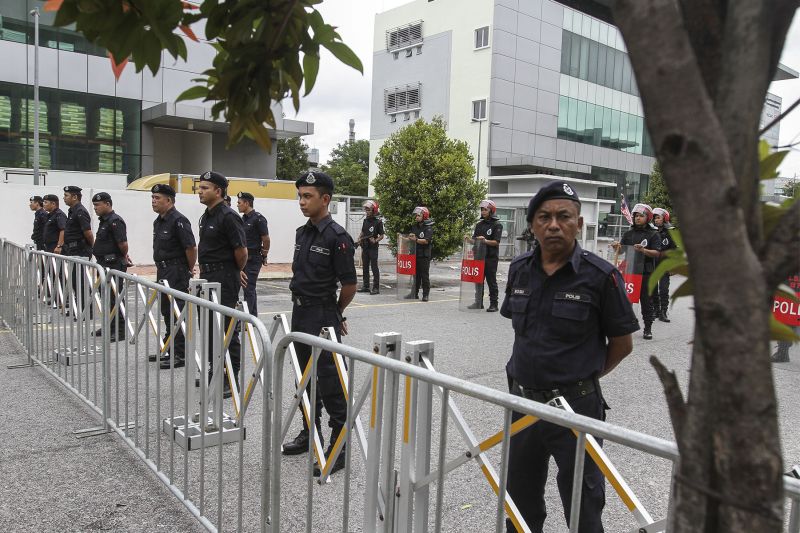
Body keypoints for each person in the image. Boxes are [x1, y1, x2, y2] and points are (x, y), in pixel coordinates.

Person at [500, 181, 638, 533]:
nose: (553, 224)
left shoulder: (600, 276)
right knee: (519, 500)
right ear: (532, 224)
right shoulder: (519, 270)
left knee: (583, 504)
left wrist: (582, 378)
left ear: (579, 223)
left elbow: (622, 343)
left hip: (577, 407)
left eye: (564, 216)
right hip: (524, 404)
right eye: (544, 217)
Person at [282, 171, 356, 477]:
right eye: (300, 195)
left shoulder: (338, 237)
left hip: (323, 316)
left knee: (331, 383)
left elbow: (349, 285)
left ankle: (339, 447)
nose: (302, 201)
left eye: (308, 196)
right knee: (304, 380)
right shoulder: (302, 233)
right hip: (300, 314)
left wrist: (335, 314)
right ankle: (309, 433)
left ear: (325, 199)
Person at [198, 172, 247, 397]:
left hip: (224, 278)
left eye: (205, 188)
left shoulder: (229, 216)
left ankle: (230, 377)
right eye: (200, 187)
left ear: (218, 191)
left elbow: (241, 251)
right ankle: (215, 370)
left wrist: (235, 272)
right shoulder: (206, 216)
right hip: (207, 278)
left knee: (226, 329)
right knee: (209, 327)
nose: (200, 191)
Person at [152, 184, 197, 369]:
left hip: (176, 271)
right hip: (162, 271)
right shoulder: (158, 221)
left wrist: (188, 269)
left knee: (176, 312)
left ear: (169, 200)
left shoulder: (179, 220)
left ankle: (180, 354)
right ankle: (168, 348)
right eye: (152, 198)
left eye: (157, 198)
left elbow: (191, 248)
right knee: (166, 311)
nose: (154, 201)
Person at [612, 203, 661, 340]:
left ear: (648, 217)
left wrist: (643, 250)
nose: (637, 218)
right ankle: (627, 326)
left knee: (646, 302)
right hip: (630, 271)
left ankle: (648, 328)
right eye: (636, 216)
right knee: (626, 301)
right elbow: (621, 250)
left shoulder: (653, 234)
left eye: (641, 216)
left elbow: (656, 253)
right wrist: (616, 247)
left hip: (646, 273)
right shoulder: (628, 233)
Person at [90, 192, 129, 342]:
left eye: (98, 205)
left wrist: (123, 257)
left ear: (107, 204)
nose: (95, 208)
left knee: (115, 298)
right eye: (94, 205)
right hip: (103, 264)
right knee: (105, 297)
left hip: (113, 264)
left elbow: (123, 244)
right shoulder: (104, 221)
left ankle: (119, 331)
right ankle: (109, 326)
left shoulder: (115, 221)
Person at [62, 186, 95, 315]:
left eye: (66, 195)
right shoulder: (72, 211)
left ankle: (86, 310)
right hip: (73, 250)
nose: (64, 198)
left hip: (80, 250)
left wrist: (92, 248)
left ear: (75, 197)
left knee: (81, 281)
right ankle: (79, 307)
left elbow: (88, 232)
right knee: (76, 281)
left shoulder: (80, 211)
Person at [237, 191, 270, 316]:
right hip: (244, 258)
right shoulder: (242, 219)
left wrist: (265, 254)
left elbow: (266, 239)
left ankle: (247, 320)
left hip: (253, 258)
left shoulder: (258, 219)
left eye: (239, 203)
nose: (237, 205)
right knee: (249, 288)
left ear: (247, 203)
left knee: (248, 288)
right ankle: (253, 315)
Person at [468, 199, 503, 312]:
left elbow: (496, 242)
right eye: (482, 210)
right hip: (479, 256)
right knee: (478, 280)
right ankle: (478, 302)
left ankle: (494, 304)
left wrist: (485, 241)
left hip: (490, 257)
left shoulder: (497, 225)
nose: (483, 212)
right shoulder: (479, 225)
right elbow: (476, 240)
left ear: (491, 210)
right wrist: (469, 240)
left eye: (485, 210)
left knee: (491, 281)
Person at [652, 208, 677, 322]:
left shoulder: (671, 231)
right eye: (654, 218)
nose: (656, 220)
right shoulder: (651, 231)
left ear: (665, 218)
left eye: (658, 218)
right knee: (652, 290)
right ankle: (656, 311)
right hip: (652, 265)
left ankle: (663, 312)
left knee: (663, 290)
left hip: (664, 266)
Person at [356, 200, 384, 295]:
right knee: (365, 267)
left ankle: (376, 288)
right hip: (365, 247)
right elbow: (363, 231)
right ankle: (366, 286)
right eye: (366, 210)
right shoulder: (365, 220)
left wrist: (375, 240)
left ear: (374, 211)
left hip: (373, 248)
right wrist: (360, 238)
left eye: (368, 210)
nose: (366, 212)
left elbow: (382, 235)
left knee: (374, 267)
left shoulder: (378, 222)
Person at [407, 206, 433, 301]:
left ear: (424, 216)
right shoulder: (415, 226)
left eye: (419, 215)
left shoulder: (428, 228)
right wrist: (405, 237)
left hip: (424, 256)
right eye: (416, 215)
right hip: (415, 254)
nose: (416, 217)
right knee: (416, 275)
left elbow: (426, 241)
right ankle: (414, 293)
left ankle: (425, 295)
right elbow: (412, 237)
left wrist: (416, 239)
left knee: (424, 276)